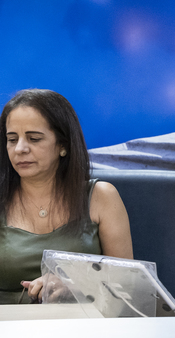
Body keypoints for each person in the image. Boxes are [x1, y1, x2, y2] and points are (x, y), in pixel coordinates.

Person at [0, 89, 132, 304]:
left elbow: (129, 283)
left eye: (34, 139)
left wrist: (79, 283)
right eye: (12, 139)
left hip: (82, 320)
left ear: (63, 145)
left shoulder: (101, 196)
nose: (20, 149)